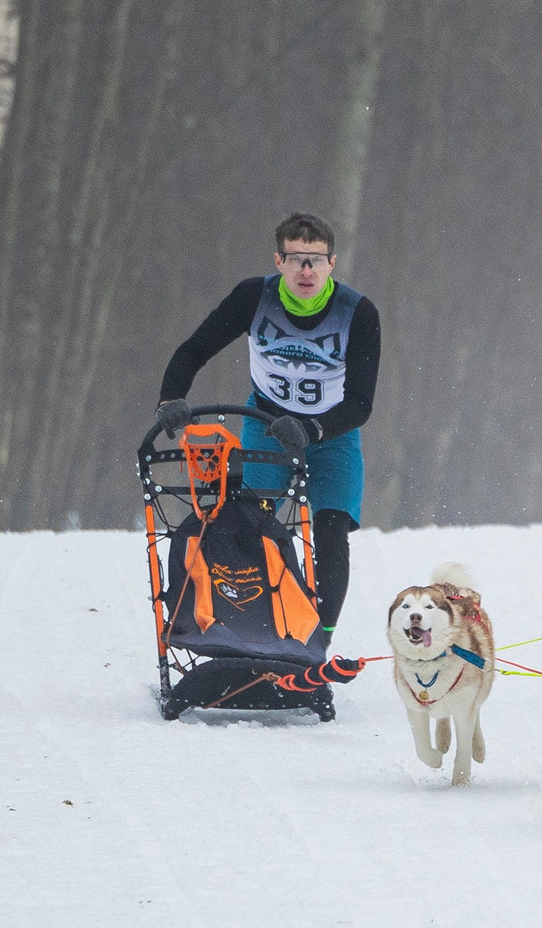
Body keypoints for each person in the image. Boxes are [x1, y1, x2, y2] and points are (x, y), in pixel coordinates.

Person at [155, 214, 380, 638]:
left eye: (315, 260)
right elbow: (195, 348)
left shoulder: (358, 313)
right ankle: (258, 628)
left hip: (331, 433)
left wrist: (313, 430)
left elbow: (361, 403)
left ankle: (319, 641)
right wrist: (171, 397)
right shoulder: (253, 298)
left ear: (333, 263)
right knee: (256, 527)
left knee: (331, 532)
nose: (306, 271)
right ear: (279, 261)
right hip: (267, 423)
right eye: (296, 259)